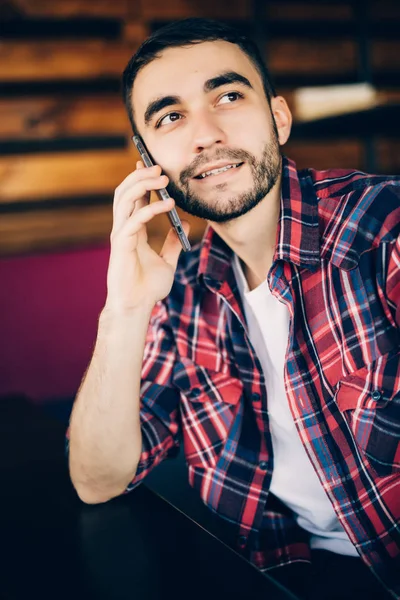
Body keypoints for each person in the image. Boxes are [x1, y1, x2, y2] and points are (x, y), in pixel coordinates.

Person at [67, 18, 400, 600]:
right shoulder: (181, 292)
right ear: (148, 161)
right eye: (171, 117)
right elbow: (97, 480)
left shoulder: (383, 227)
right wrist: (123, 308)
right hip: (280, 577)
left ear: (279, 118)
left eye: (227, 96)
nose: (205, 134)